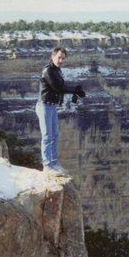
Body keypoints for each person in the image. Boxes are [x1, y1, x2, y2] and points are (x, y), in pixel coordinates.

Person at [36, 47, 86, 175]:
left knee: (55, 135)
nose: (61, 60)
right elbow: (58, 87)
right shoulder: (47, 71)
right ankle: (47, 166)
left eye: (63, 58)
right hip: (44, 106)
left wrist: (74, 90)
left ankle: (54, 163)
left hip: (51, 106)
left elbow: (61, 86)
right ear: (52, 56)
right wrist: (74, 89)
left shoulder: (57, 70)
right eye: (59, 57)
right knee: (47, 136)